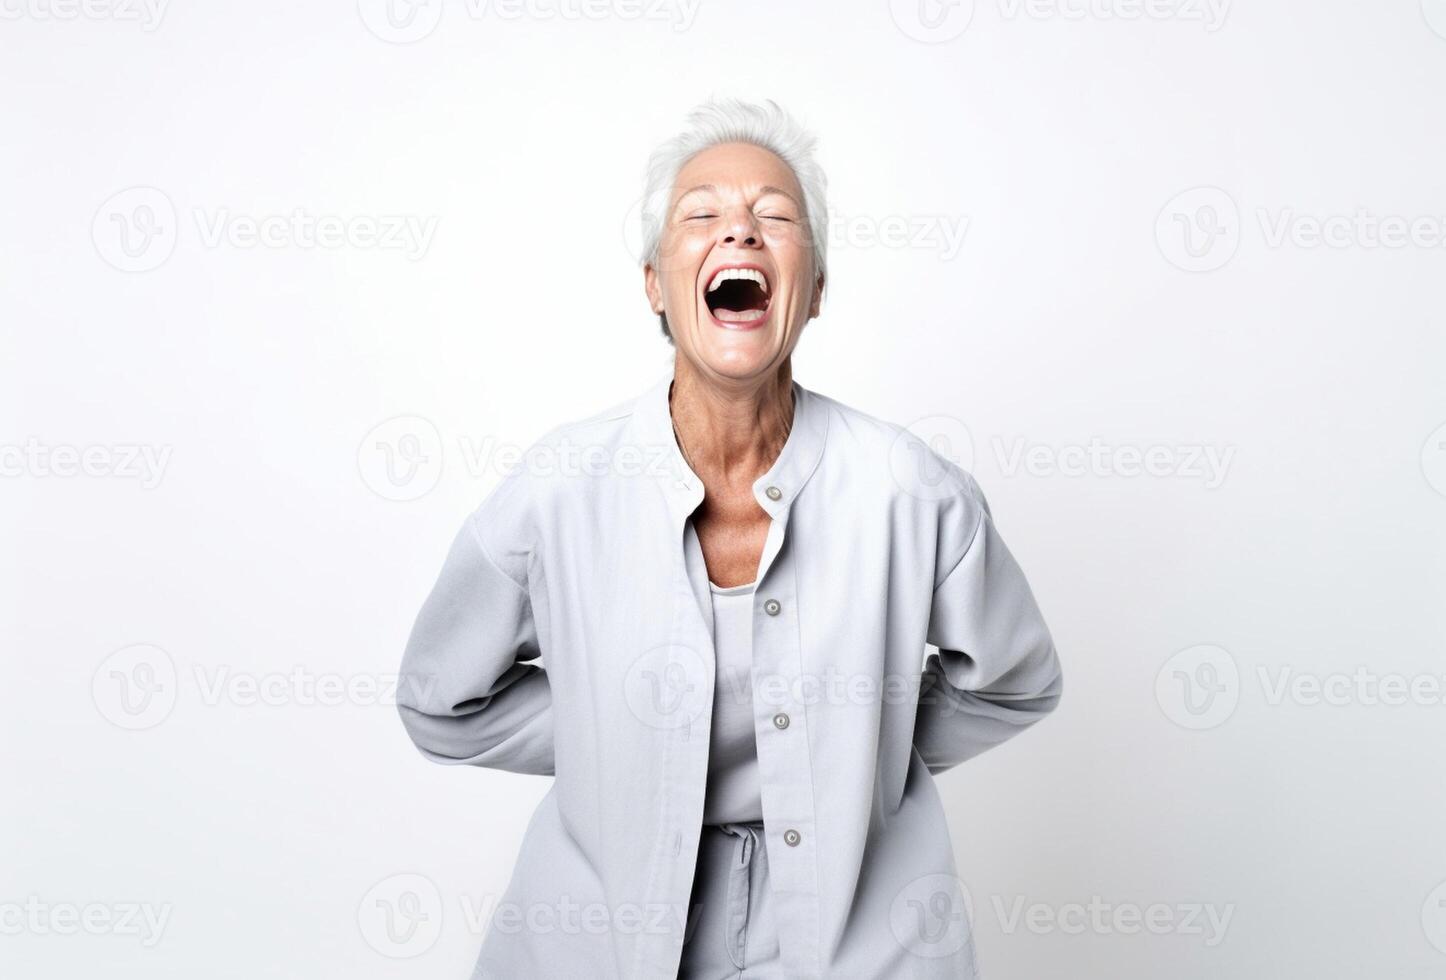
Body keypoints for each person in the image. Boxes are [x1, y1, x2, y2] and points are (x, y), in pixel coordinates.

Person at [395, 97, 1064, 979]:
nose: (740, 232)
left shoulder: (914, 493)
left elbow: (1018, 686)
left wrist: (852, 742)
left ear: (815, 287)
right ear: (654, 283)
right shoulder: (558, 489)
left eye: (775, 217)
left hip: (872, 942)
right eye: (702, 214)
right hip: (593, 939)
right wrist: (626, 739)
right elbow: (439, 699)